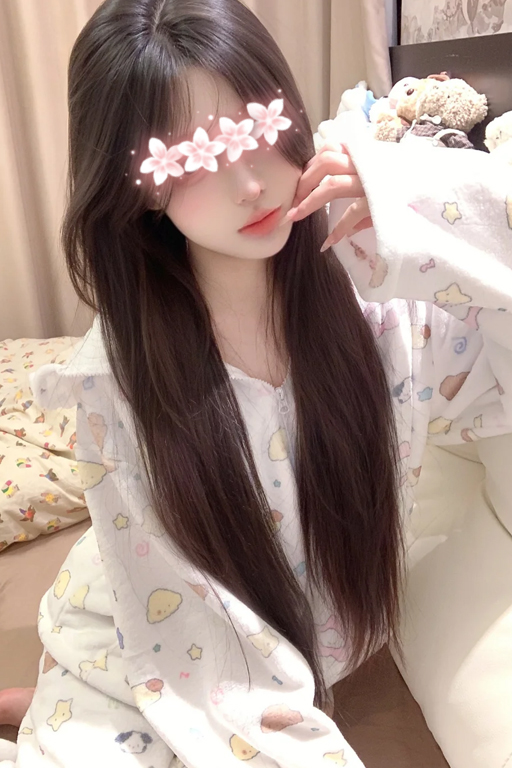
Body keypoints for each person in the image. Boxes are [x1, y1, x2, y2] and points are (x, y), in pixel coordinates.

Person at [1, 0, 511, 765]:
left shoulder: (382, 297)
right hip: (154, 619)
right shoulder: (121, 385)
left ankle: (56, 694)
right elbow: (206, 656)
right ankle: (71, 685)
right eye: (191, 159)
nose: (249, 183)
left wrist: (422, 195)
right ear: (140, 187)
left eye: (261, 129)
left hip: (260, 643)